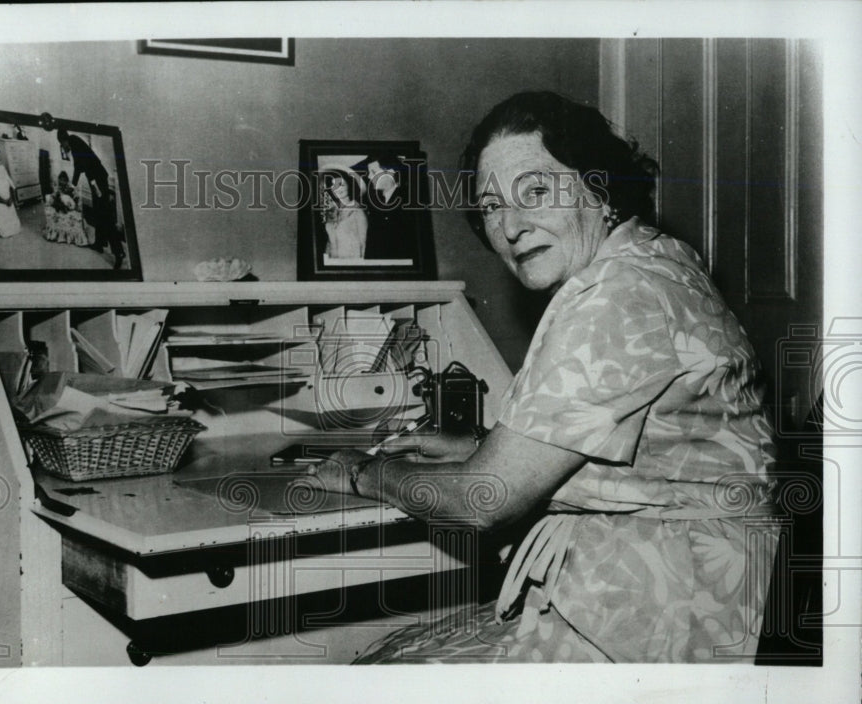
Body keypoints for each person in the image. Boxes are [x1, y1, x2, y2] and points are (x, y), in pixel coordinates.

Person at [313, 91, 780, 663]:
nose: (509, 227)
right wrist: (482, 449)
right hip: (710, 603)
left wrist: (365, 471)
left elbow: (483, 502)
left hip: (655, 624)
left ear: (599, 188)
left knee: (375, 674)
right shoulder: (658, 259)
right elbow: (649, 461)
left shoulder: (612, 295)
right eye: (491, 207)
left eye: (536, 191)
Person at [56, 128, 125, 268]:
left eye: (62, 145)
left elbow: (84, 165)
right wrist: (73, 186)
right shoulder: (74, 141)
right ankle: (99, 243)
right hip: (95, 179)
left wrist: (94, 188)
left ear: (63, 141)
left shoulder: (74, 142)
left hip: (98, 180)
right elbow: (79, 166)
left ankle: (119, 253)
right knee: (99, 212)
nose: (63, 148)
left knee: (105, 215)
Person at [355, 151, 418, 261]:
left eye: (373, 172)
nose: (369, 176)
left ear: (391, 172)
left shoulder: (409, 201)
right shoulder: (373, 201)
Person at [321, 168, 368, 259]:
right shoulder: (332, 212)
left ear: (349, 186)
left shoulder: (358, 212)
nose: (337, 189)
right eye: (334, 185)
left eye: (341, 185)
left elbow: (364, 245)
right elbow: (329, 244)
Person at [43, 171, 89, 247]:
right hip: (59, 202)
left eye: (63, 180)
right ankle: (62, 208)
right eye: (60, 180)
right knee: (58, 201)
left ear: (66, 180)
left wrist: (69, 198)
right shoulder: (58, 188)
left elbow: (74, 197)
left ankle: (64, 208)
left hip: (68, 202)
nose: (62, 182)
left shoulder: (70, 187)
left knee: (66, 201)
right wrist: (56, 196)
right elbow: (55, 195)